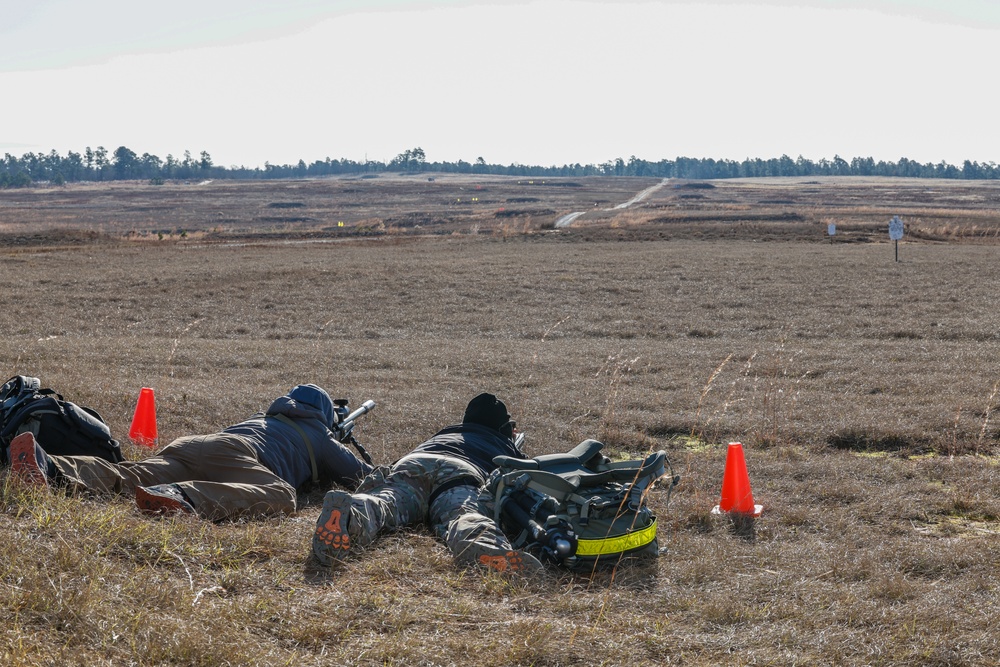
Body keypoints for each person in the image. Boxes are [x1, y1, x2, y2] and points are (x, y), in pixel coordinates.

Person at [9, 384, 371, 521]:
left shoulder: (267, 416)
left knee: (130, 474)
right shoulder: (319, 433)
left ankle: (50, 465)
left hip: (195, 444)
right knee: (282, 495)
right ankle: (184, 496)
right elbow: (359, 475)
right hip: (237, 457)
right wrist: (337, 438)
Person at [312, 392, 544, 575]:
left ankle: (351, 513)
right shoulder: (503, 444)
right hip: (460, 474)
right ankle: (485, 546)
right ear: (505, 429)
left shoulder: (448, 432)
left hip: (412, 464)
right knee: (463, 514)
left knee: (385, 502)